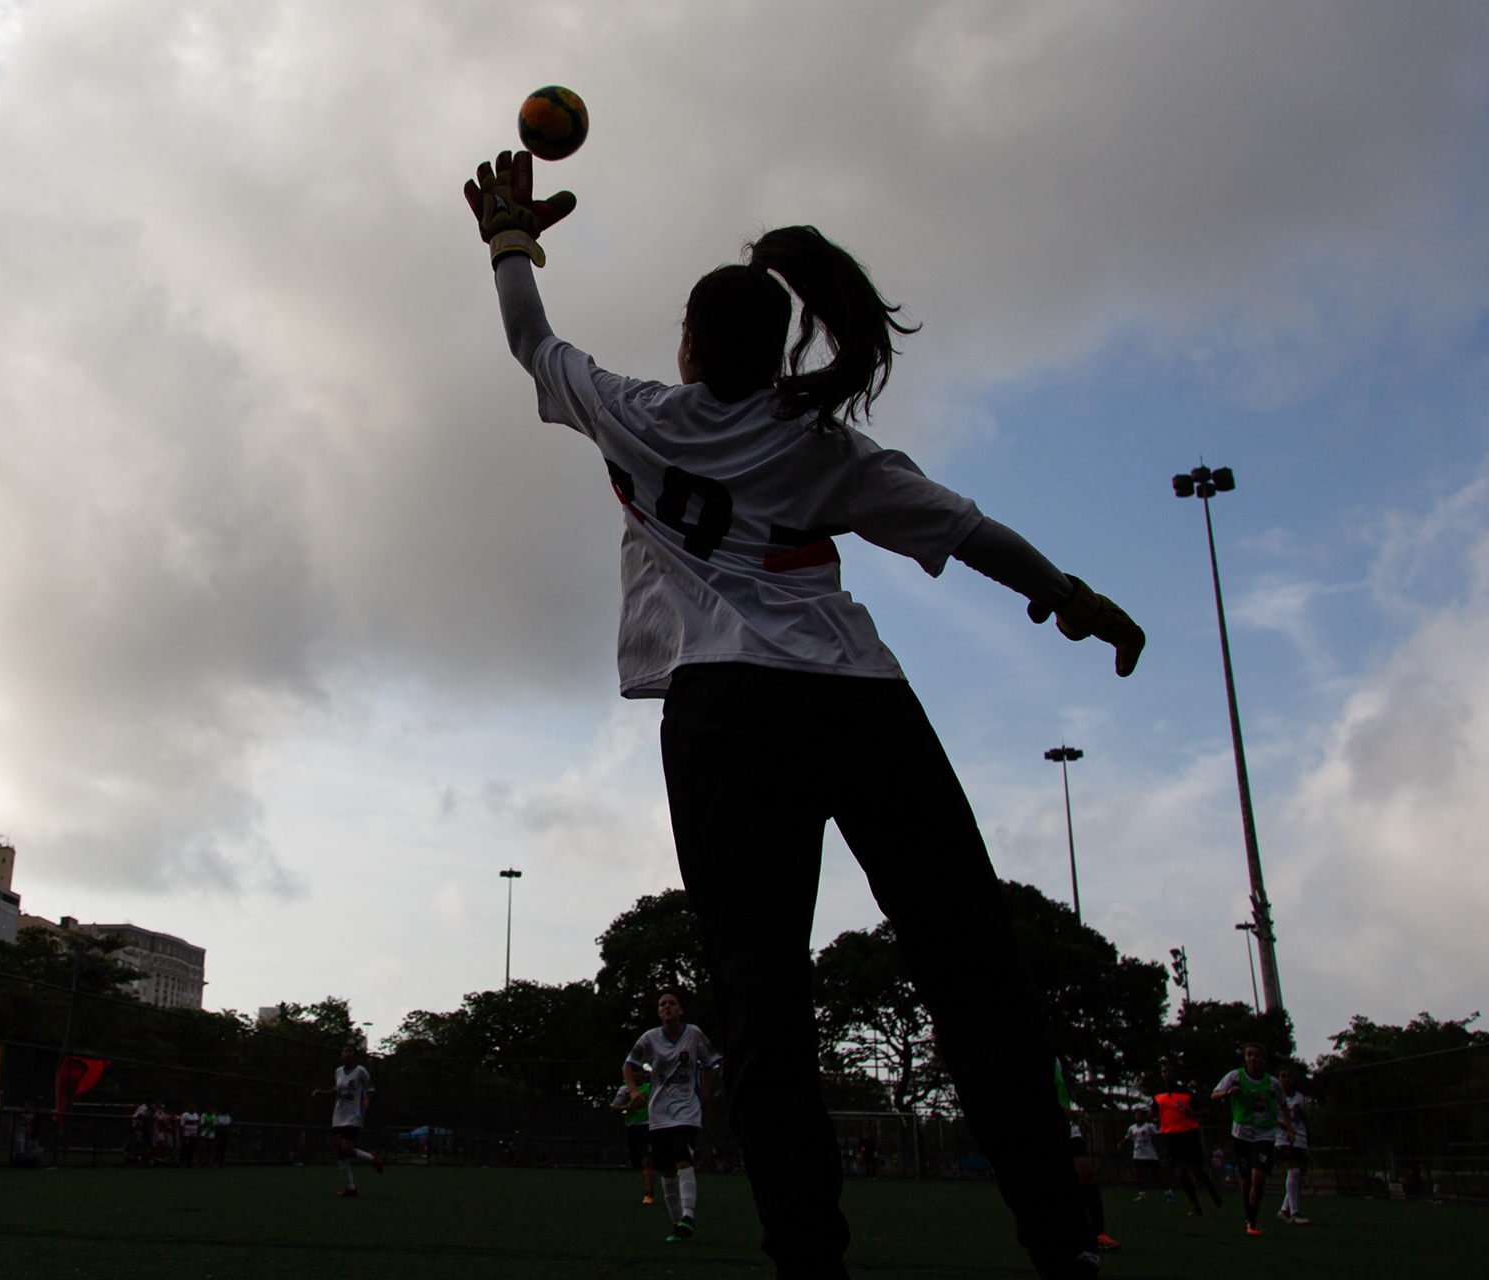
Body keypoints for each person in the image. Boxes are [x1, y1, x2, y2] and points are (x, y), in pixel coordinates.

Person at [466, 151, 1144, 1280]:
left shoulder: (633, 414)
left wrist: (510, 242)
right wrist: (1068, 596)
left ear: (688, 344)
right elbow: (967, 529)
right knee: (974, 972)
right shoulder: (824, 446)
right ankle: (1062, 1238)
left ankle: (808, 1257)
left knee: (762, 994)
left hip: (728, 712)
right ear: (781, 348)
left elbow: (531, 340)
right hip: (860, 701)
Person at [624, 989, 721, 1243]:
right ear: (658, 1011)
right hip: (659, 1113)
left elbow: (709, 1064)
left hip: (686, 1110)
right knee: (666, 1169)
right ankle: (678, 1224)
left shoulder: (694, 1034)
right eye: (662, 1004)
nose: (667, 1007)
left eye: (672, 1003)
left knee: (683, 1160)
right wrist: (633, 1091)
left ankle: (688, 1216)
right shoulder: (650, 1038)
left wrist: (705, 1096)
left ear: (681, 1009)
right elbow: (628, 1065)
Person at [1212, 1042, 1293, 1236]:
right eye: (1249, 1054)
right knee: (1245, 1179)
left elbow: (1283, 1105)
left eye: (1257, 1055)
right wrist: (1227, 1093)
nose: (1253, 1058)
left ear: (1264, 1059)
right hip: (1242, 1134)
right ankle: (1250, 1216)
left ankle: (1253, 1219)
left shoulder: (1272, 1083)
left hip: (1264, 1134)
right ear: (1245, 1058)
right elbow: (1214, 1095)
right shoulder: (1235, 1076)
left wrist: (1289, 1129)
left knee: (1259, 1179)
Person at [1055, 1062, 1117, 1252]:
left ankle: (1099, 1234)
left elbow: (1061, 1093)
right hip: (1042, 1123)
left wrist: (1075, 1116)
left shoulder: (1055, 1060)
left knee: (1085, 1173)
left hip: (1067, 1124)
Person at [312, 1043, 383, 1196]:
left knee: (346, 1149)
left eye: (350, 1051)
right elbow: (337, 1090)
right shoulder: (338, 1071)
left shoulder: (360, 1071)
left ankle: (371, 1159)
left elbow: (370, 1088)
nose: (346, 1054)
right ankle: (350, 1187)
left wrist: (366, 1100)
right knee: (339, 1151)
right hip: (339, 1113)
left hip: (353, 1113)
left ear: (355, 1056)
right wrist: (322, 1093)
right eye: (344, 1051)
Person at [1153, 1063, 1223, 1216]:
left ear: (1176, 1074)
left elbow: (1203, 1110)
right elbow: (1154, 1112)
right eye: (1164, 1071)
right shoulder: (1158, 1095)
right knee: (1181, 1172)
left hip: (1189, 1136)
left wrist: (1194, 1114)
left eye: (1170, 1071)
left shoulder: (1187, 1093)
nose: (1167, 1074)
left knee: (1196, 1171)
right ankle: (1195, 1205)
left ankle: (1212, 1191)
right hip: (1171, 1138)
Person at [611, 1065, 657, 1204]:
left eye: (639, 1072)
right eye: (634, 1073)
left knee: (648, 1161)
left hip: (648, 1127)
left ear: (644, 1074)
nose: (637, 1075)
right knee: (637, 1162)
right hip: (633, 1128)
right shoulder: (625, 1090)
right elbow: (614, 1108)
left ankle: (649, 1193)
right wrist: (628, 1107)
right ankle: (646, 1172)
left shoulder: (651, 1088)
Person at [1274, 1061, 1312, 1225]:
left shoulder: (1299, 1097)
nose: (1286, 1079)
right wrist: (1280, 1124)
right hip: (1283, 1136)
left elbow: (1305, 1117)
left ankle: (1284, 1210)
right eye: (1283, 1076)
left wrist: (1300, 1112)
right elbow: (1268, 1115)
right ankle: (1294, 1212)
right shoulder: (1274, 1096)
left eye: (1289, 1076)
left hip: (1300, 1136)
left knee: (1301, 1176)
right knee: (1294, 1172)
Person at [1119, 1106, 1164, 1202]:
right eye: (1136, 1115)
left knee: (1158, 1173)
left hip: (1150, 1153)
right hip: (1138, 1153)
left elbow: (1160, 1134)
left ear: (1144, 1116)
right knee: (1138, 1173)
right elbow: (1128, 1138)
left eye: (1140, 1115)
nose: (1138, 1117)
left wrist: (1154, 1135)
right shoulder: (1132, 1127)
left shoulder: (1149, 1126)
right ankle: (1142, 1194)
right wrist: (1121, 1144)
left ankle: (1168, 1192)